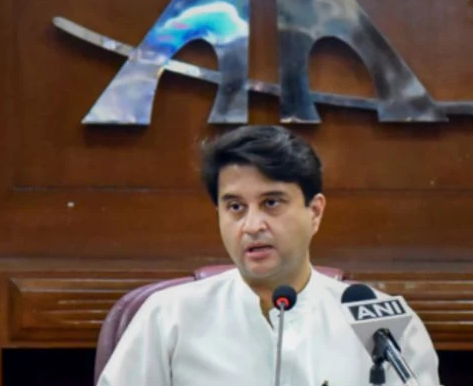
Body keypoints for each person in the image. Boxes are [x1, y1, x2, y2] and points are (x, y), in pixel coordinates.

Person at [97, 125, 442, 386]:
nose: (251, 225)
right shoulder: (168, 314)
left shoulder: (383, 322)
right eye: (234, 207)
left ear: (315, 211)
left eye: (271, 203)